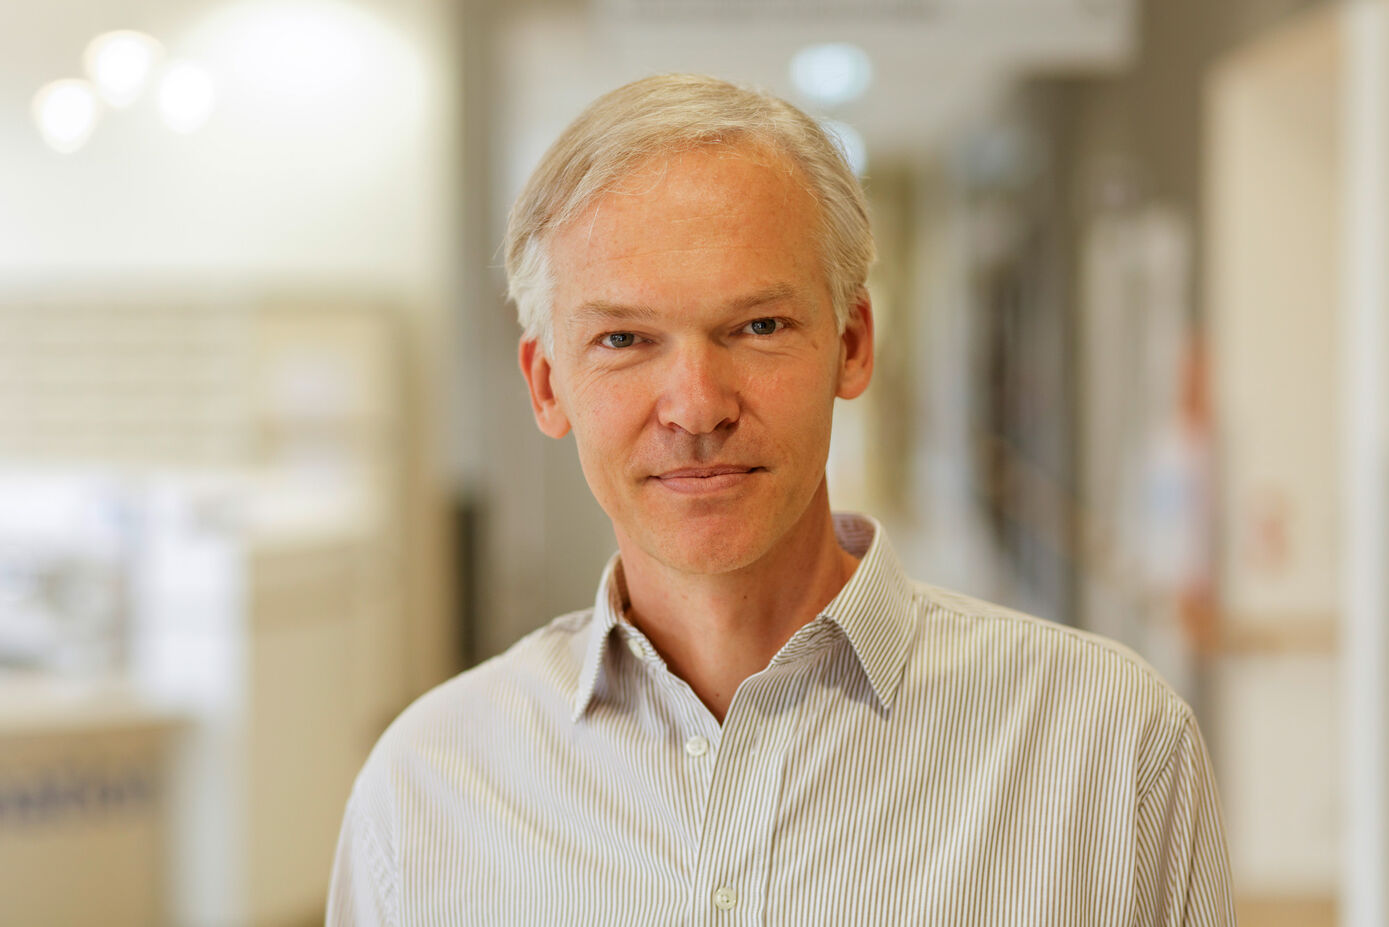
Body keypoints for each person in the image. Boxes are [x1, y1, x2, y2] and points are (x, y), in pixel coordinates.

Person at [328, 74, 1235, 925]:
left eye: (757, 326)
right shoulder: (425, 788)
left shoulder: (1107, 748)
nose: (695, 406)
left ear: (851, 344)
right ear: (546, 384)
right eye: (623, 338)